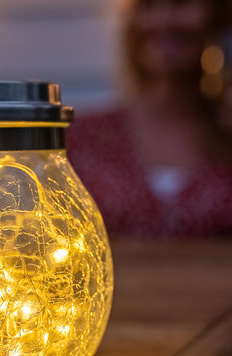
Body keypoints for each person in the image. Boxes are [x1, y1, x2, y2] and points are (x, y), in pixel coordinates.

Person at [67, 0, 232, 237]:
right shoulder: (82, 138)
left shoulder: (227, 135)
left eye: (182, 5)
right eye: (149, 6)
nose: (163, 19)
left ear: (217, 21)